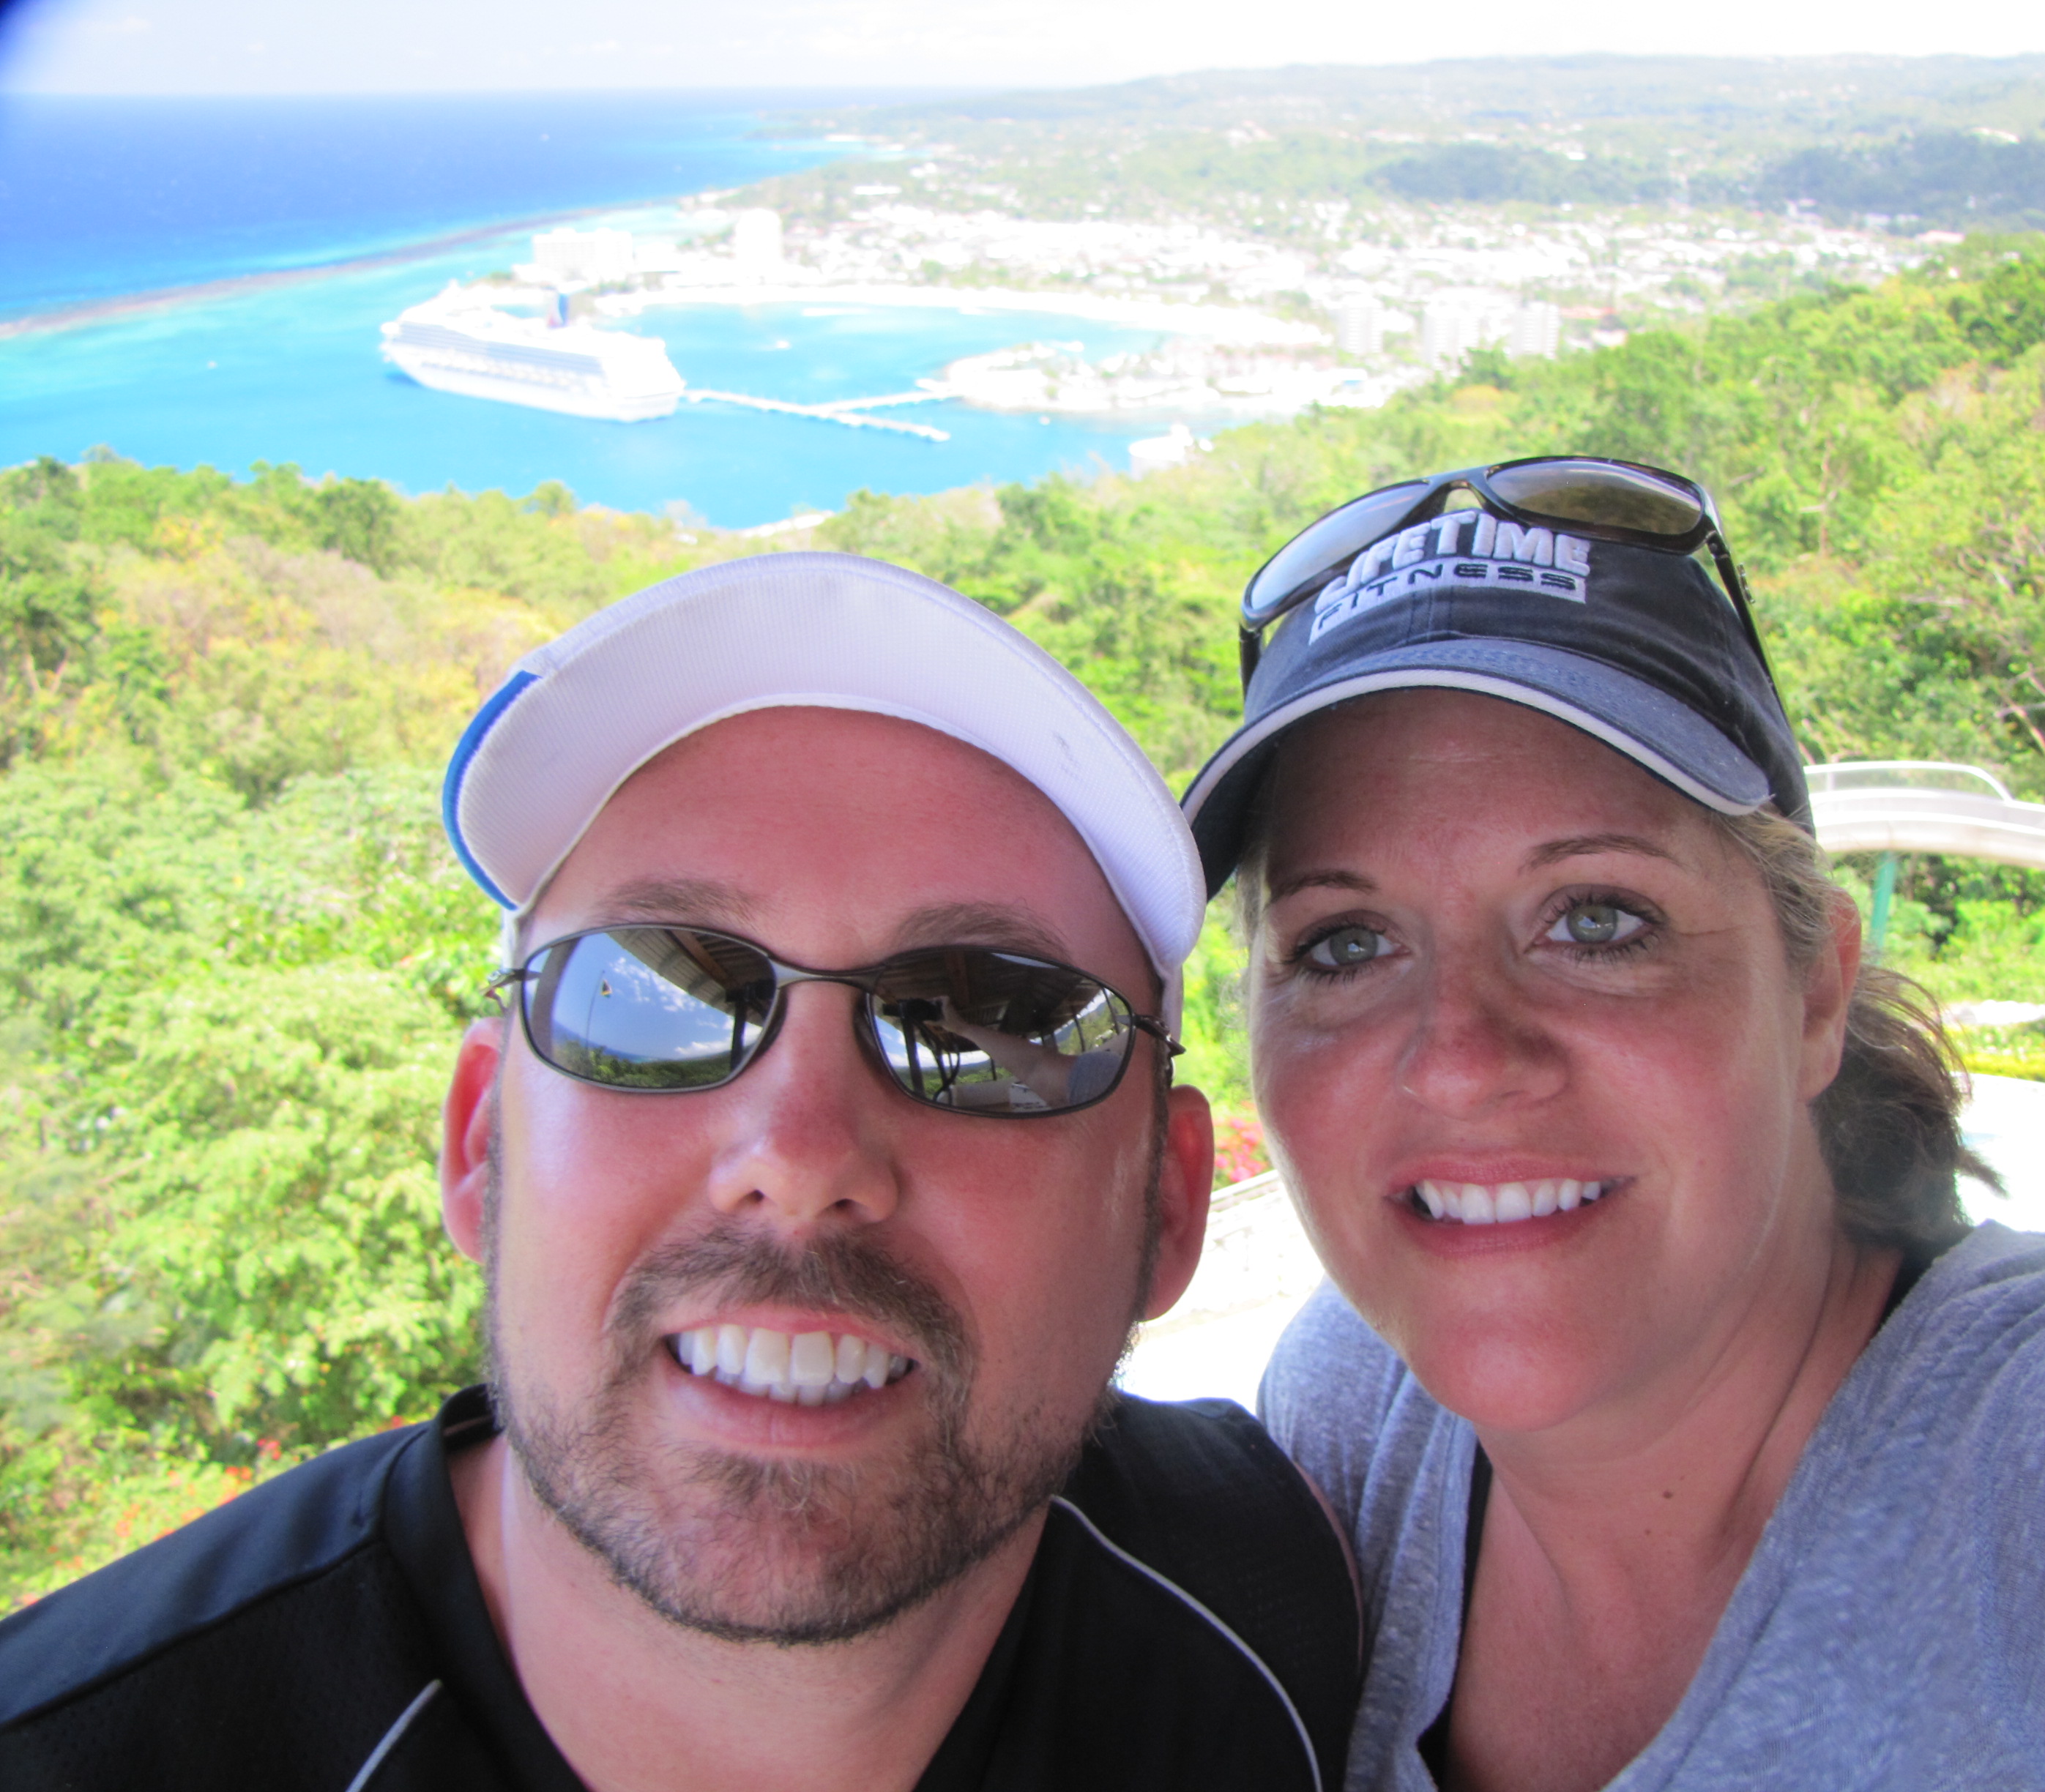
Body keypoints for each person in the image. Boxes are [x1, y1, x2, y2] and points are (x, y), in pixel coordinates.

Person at [0, 552, 1359, 1792]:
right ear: (481, 1145)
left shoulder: (1282, 1609)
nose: (800, 1157)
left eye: (984, 1027)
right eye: (657, 998)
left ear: (1164, 1204)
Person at [1179, 457, 2045, 1791]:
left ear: (1815, 991)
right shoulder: (1360, 1406)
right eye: (1346, 944)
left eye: (1598, 920)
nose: (1461, 1062)